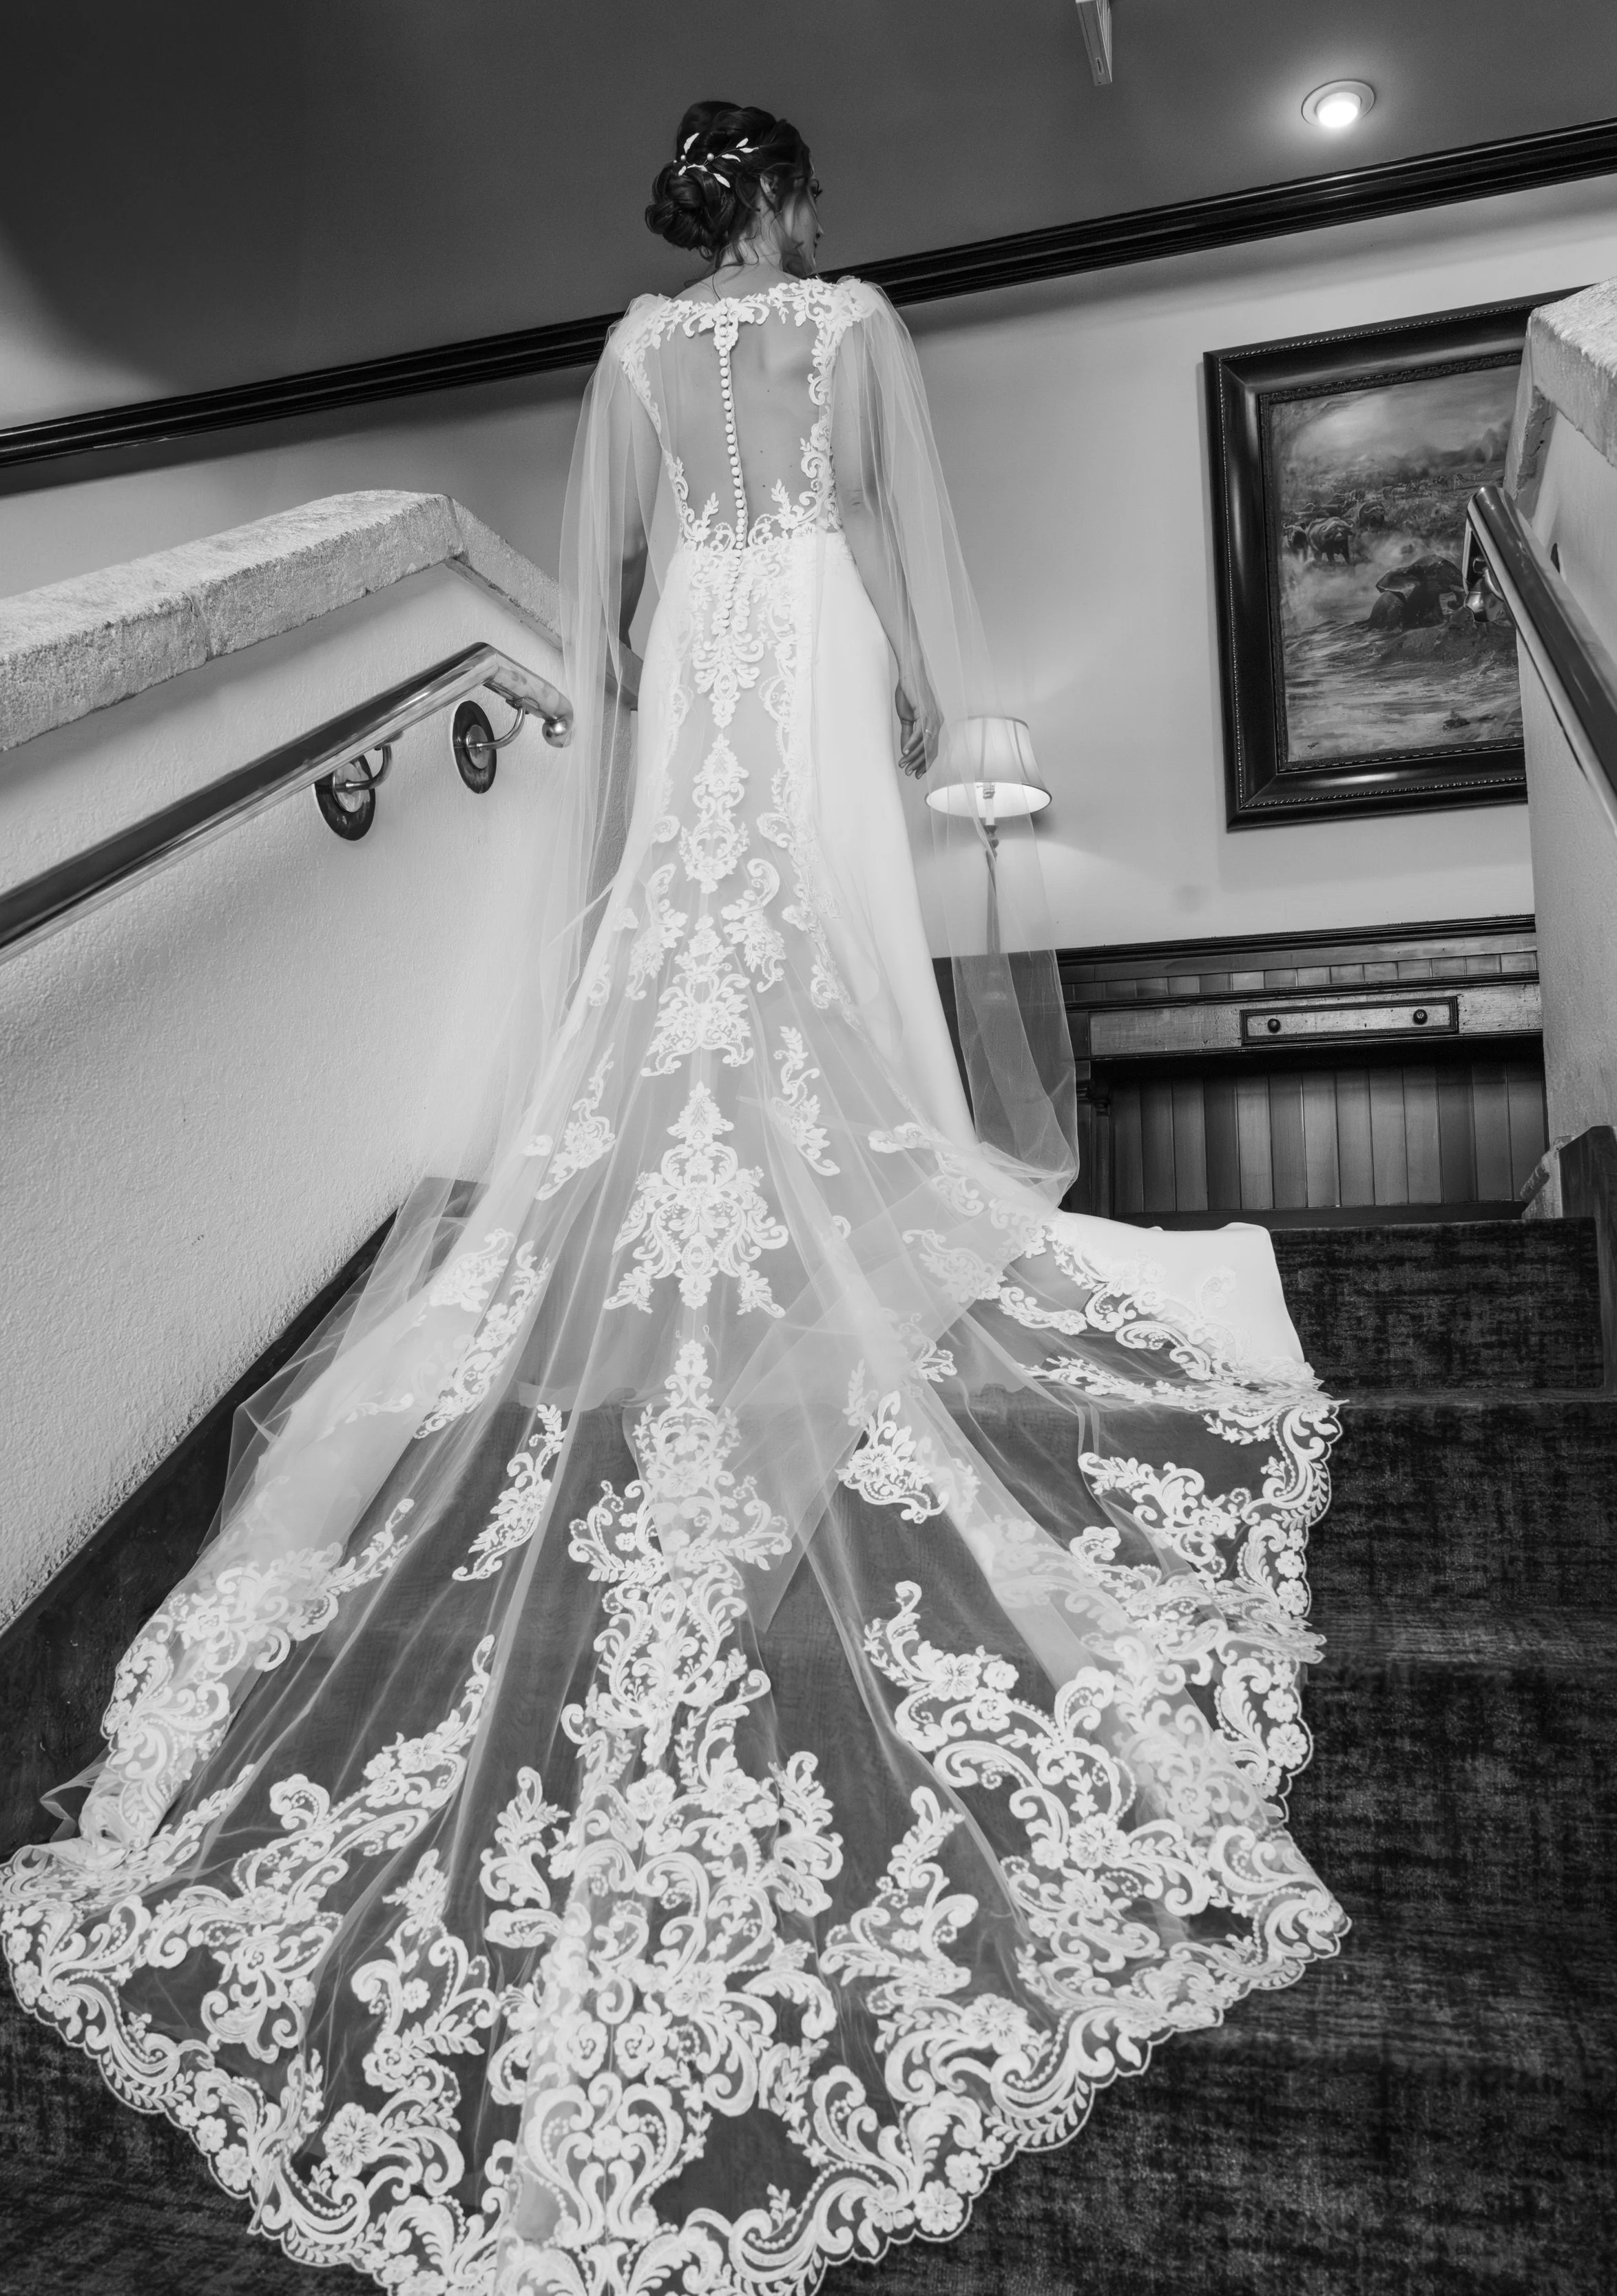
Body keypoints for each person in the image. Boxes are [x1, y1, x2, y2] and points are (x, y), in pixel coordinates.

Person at [1, 101, 1344, 2296]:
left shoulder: (627, 356)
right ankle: (836, 1256)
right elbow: (907, 545)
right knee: (816, 962)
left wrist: (621, 808)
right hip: (804, 636)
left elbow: (602, 623)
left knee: (696, 973)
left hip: (714, 663)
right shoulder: (858, 326)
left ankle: (696, 1269)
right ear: (793, 202)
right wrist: (922, 699)